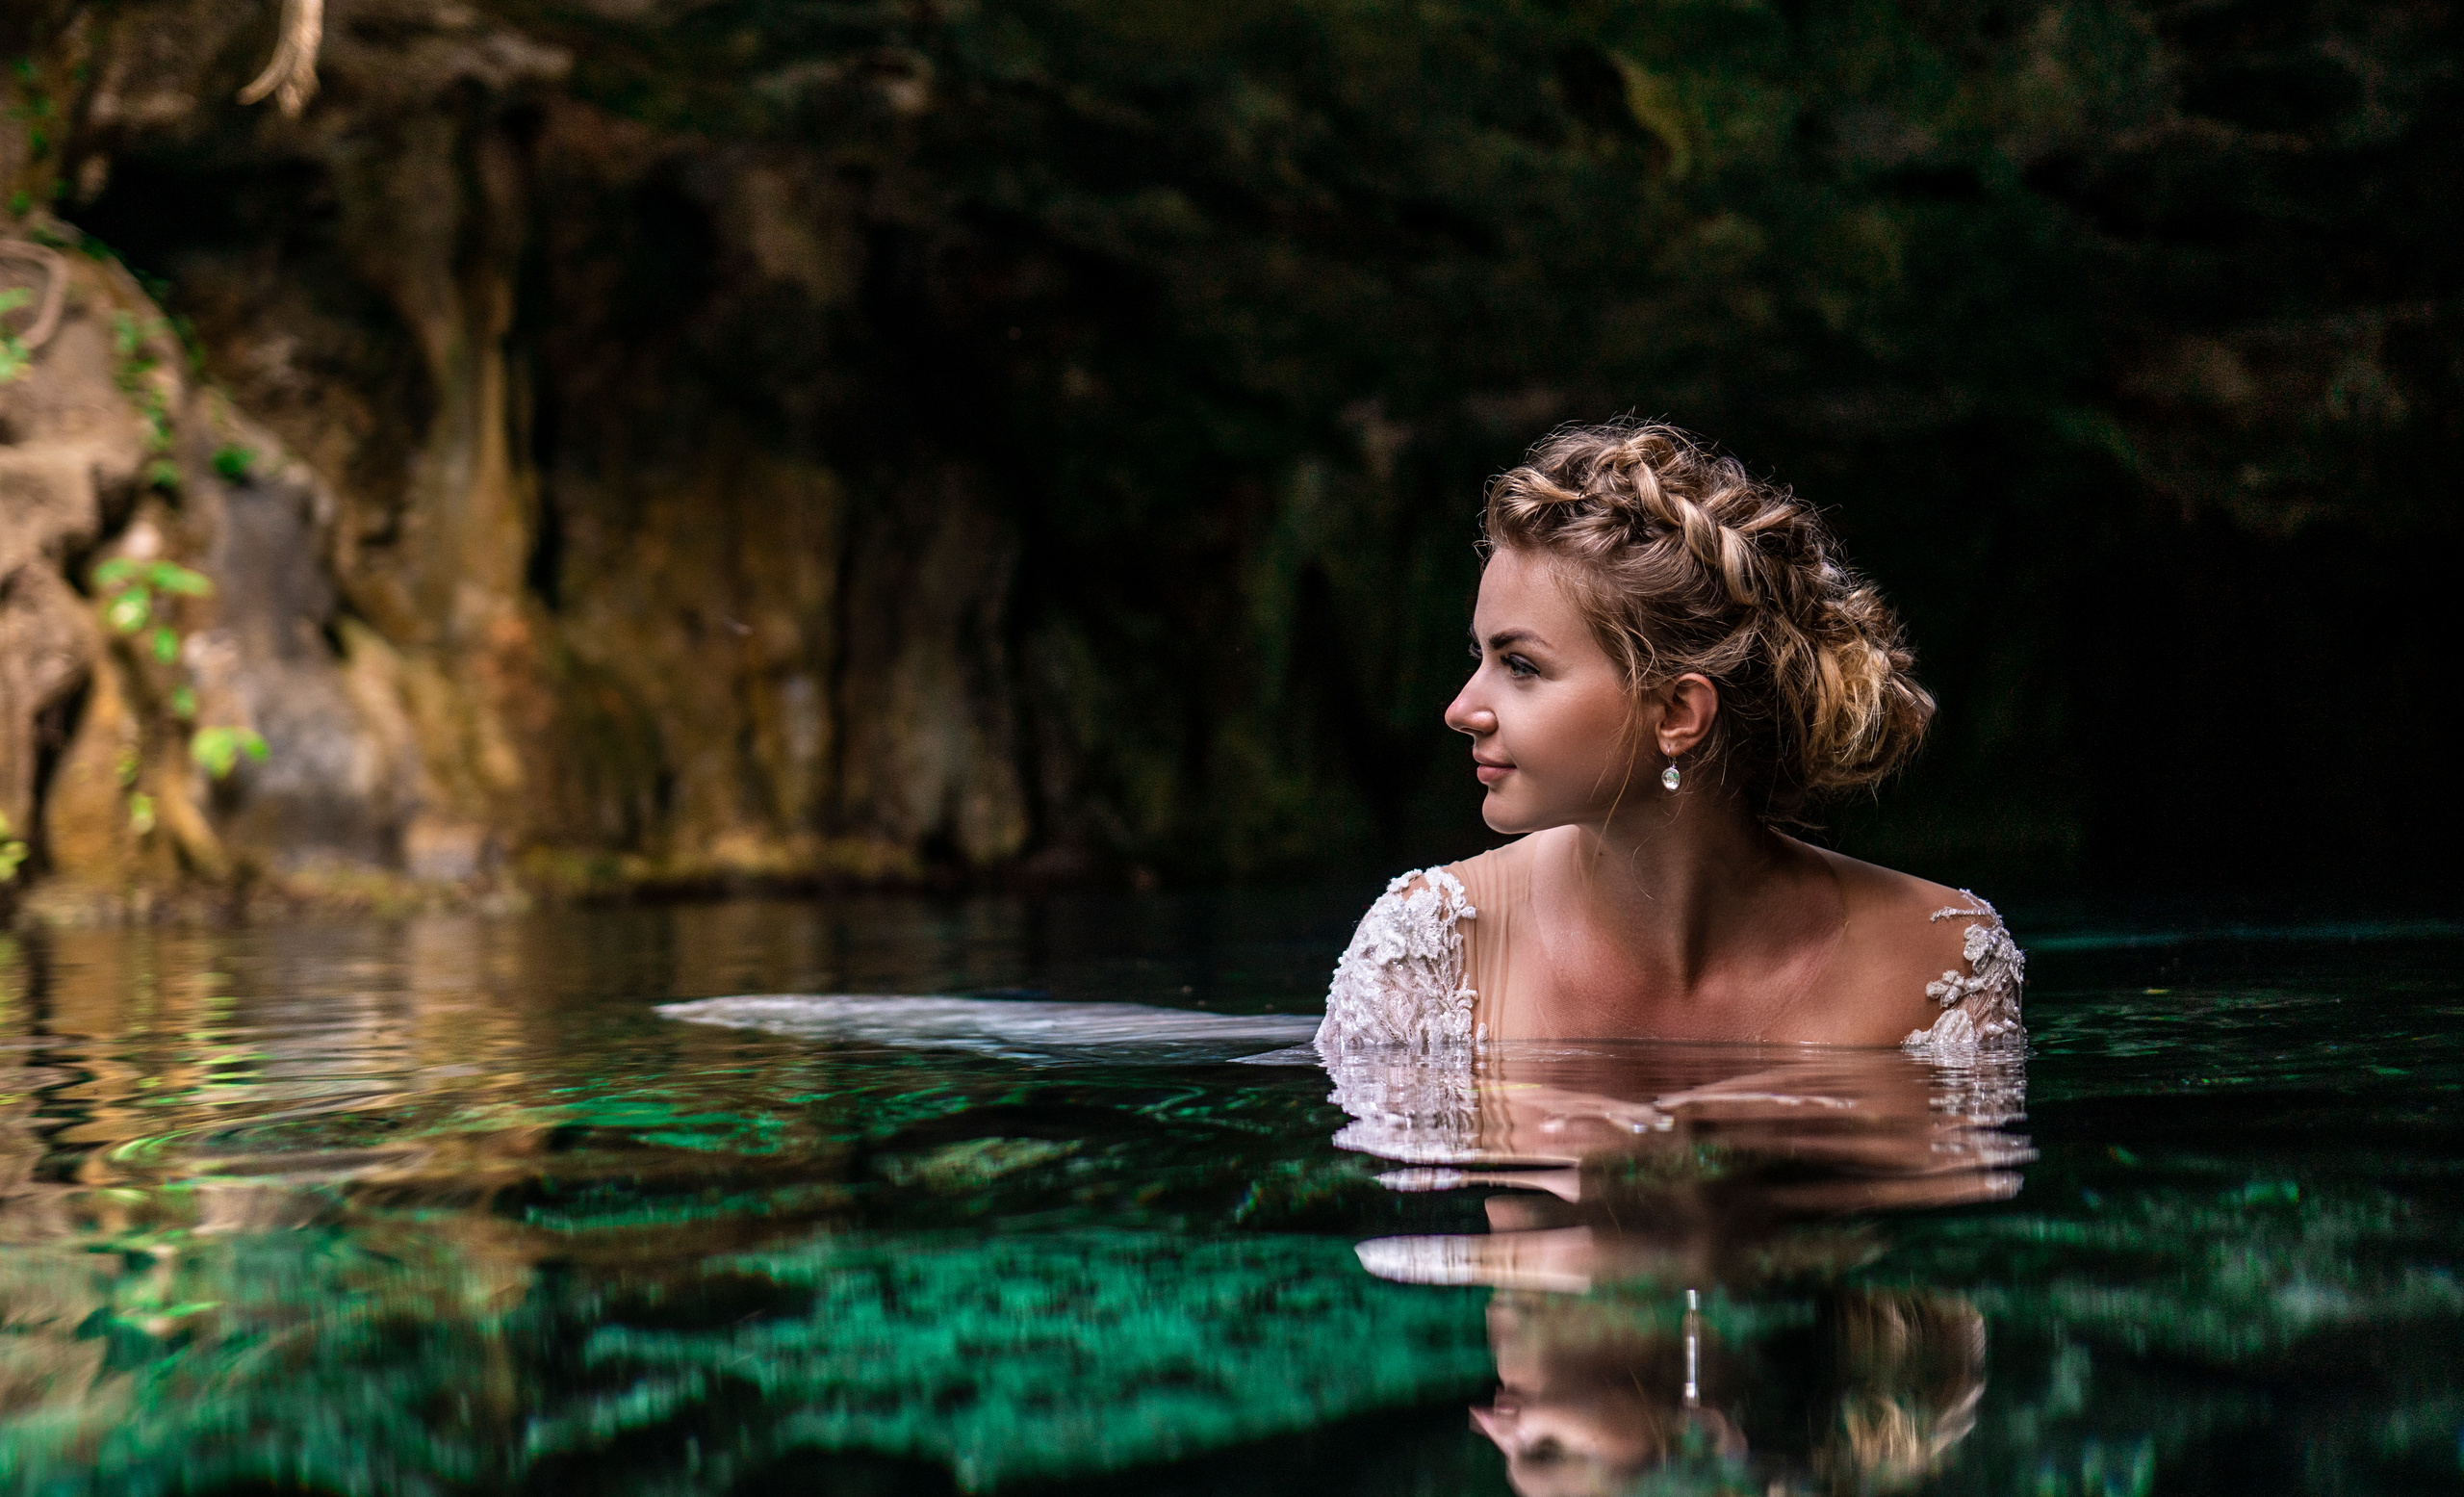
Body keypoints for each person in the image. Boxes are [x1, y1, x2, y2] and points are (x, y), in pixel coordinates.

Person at [1316, 422, 2022, 1055]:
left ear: (1678, 713)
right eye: (1481, 658)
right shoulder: (1430, 952)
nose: (1461, 708)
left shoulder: (1941, 961)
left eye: (1521, 665)